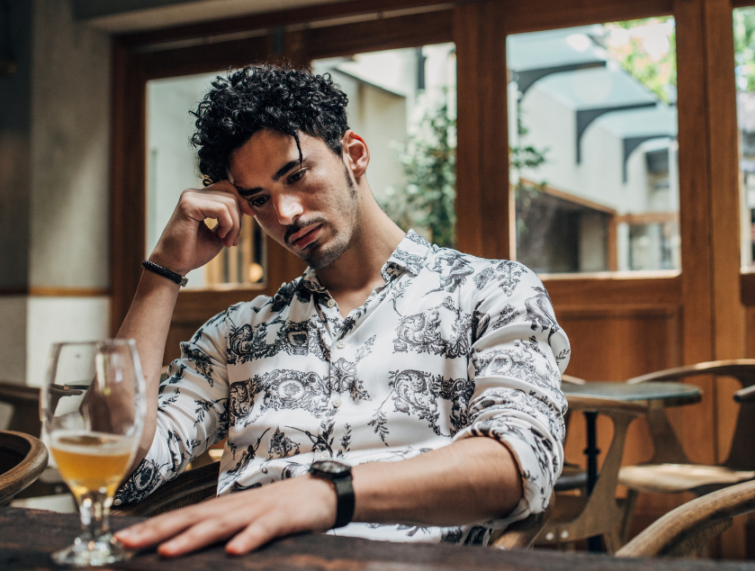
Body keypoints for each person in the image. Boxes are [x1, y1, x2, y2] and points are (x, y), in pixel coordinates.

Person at [112, 65, 570, 557]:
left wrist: (326, 493)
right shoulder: (236, 335)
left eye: (296, 175)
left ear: (353, 154)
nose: (285, 214)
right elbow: (120, 470)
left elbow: (523, 461)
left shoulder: (490, 292)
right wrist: (162, 272)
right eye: (260, 199)